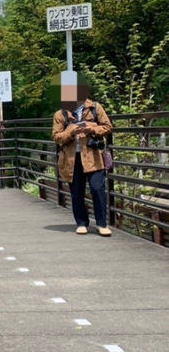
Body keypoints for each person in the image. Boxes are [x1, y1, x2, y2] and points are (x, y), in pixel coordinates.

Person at [52, 79, 113, 236]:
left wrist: (91, 129)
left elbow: (107, 127)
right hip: (72, 158)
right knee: (77, 191)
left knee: (97, 188)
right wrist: (70, 132)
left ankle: (101, 224)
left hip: (94, 156)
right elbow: (56, 137)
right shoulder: (61, 114)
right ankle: (81, 223)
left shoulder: (95, 108)